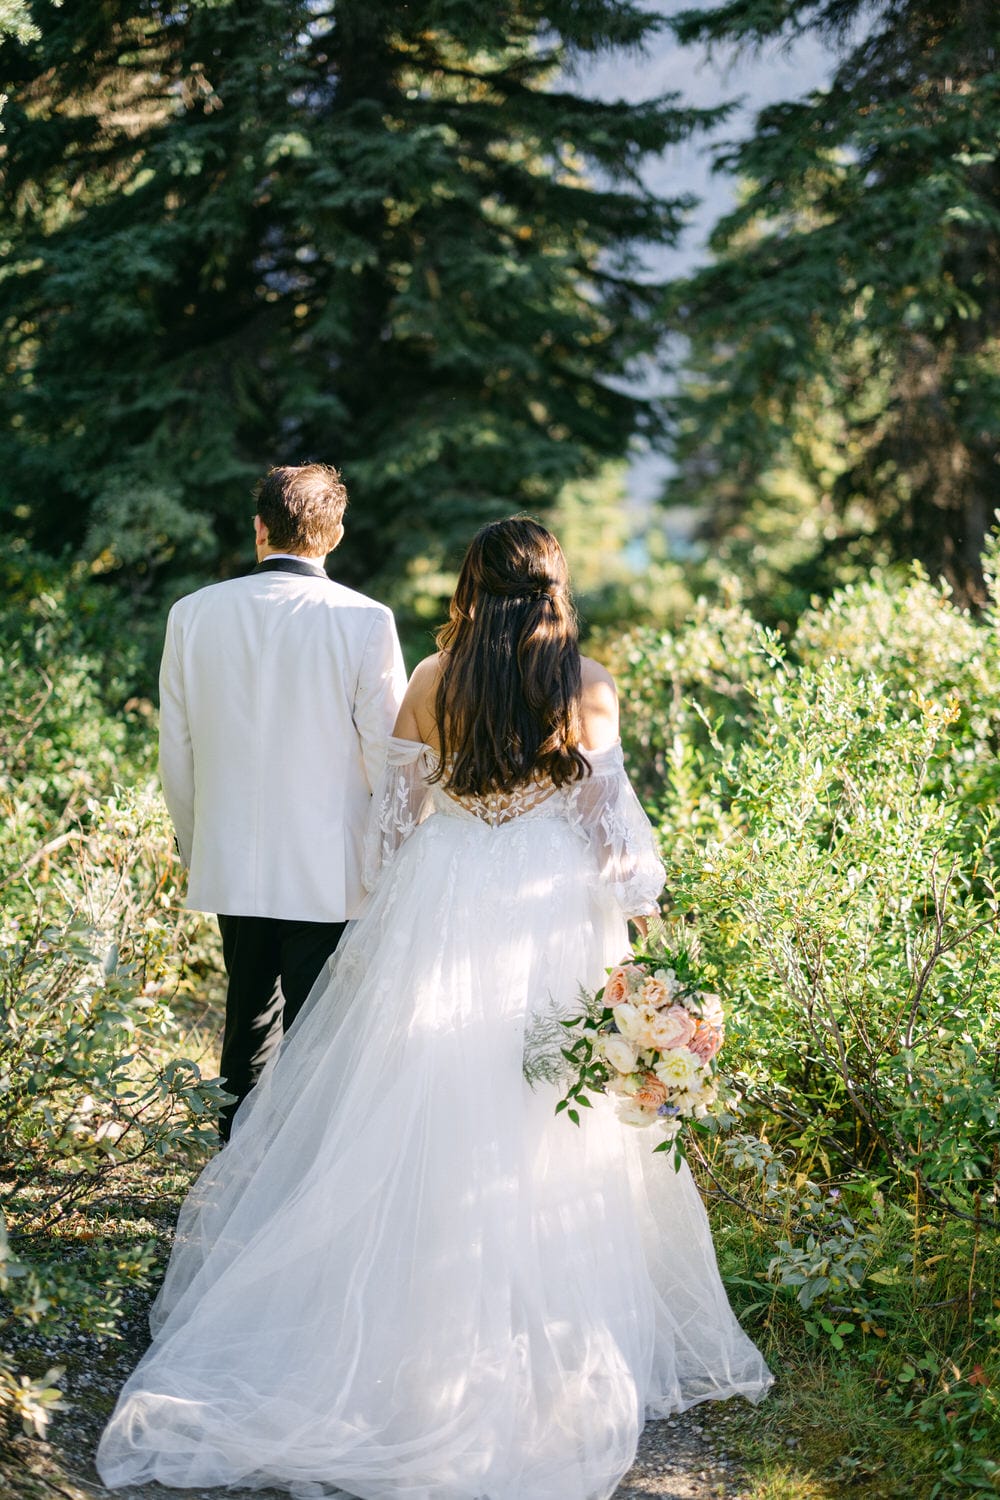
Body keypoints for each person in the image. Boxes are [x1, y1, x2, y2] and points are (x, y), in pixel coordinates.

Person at [98, 517, 771, 1499]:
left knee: (422, 1110)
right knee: (545, 1119)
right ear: (551, 588)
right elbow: (612, 829)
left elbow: (389, 823)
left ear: (469, 583)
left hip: (444, 900)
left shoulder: (430, 679)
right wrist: (642, 928)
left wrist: (399, 895)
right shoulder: (583, 685)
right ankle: (534, 1333)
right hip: (549, 914)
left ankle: (408, 1333)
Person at [157, 462, 406, 1139]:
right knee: (320, 1032)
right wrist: (393, 852)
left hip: (231, 854)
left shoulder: (192, 615)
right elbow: (388, 753)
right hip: (332, 861)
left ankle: (232, 1171)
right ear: (336, 534)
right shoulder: (366, 621)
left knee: (247, 1024)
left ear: (260, 527)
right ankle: (301, 1181)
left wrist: (196, 840)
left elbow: (175, 750)